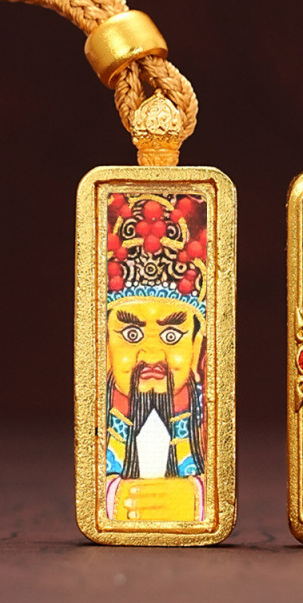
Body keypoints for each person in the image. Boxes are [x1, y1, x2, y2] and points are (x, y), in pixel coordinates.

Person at [103, 193, 207, 522]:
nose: (151, 355)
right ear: (104, 346)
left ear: (197, 346)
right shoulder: (102, 425)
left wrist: (194, 499)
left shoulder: (205, 428)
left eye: (172, 336)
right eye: (131, 334)